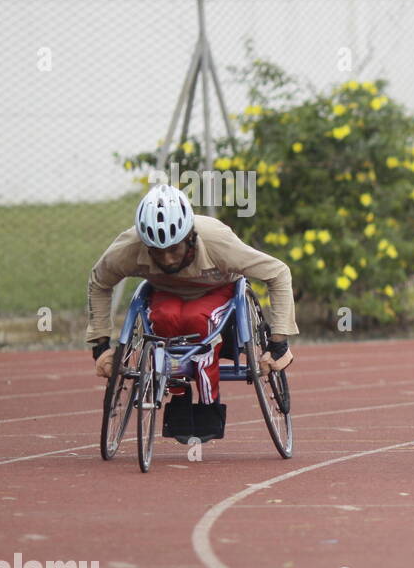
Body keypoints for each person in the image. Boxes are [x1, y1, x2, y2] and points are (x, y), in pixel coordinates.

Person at [87, 183, 297, 442]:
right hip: (165, 293)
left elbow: (278, 273)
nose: (167, 260)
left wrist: (278, 341)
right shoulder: (129, 247)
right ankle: (178, 393)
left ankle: (209, 401)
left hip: (216, 290)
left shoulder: (217, 241)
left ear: (190, 238)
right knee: (164, 319)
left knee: (196, 319)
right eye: (157, 252)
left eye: (174, 249)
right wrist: (101, 345)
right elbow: (99, 282)